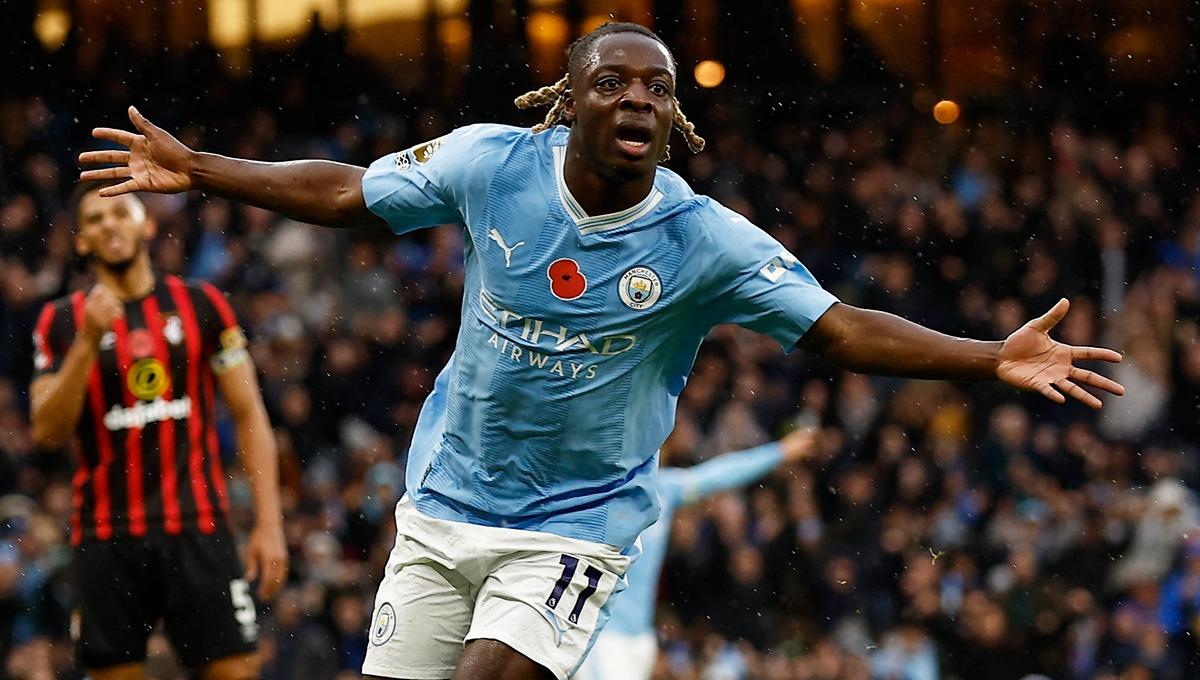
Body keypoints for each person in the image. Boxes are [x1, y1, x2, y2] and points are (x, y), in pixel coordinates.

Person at [78, 21, 1124, 680]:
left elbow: (839, 325)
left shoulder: (701, 238)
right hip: (441, 509)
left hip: (572, 531)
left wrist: (987, 355)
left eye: (658, 90)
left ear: (674, 117)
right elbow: (351, 192)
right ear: (570, 100)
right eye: (617, 83)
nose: (639, 100)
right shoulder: (492, 163)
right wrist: (202, 168)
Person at [28, 182, 288, 680]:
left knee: (237, 672)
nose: (110, 225)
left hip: (200, 526)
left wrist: (268, 524)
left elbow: (250, 413)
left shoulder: (203, 304)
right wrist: (87, 343)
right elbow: (46, 430)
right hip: (106, 536)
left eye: (120, 212)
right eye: (95, 220)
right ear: (81, 240)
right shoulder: (59, 322)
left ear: (147, 224)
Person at [573, 427, 818, 680]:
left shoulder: (664, 490)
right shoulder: (598, 493)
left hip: (639, 638)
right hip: (598, 633)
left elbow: (721, 474)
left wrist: (780, 451)